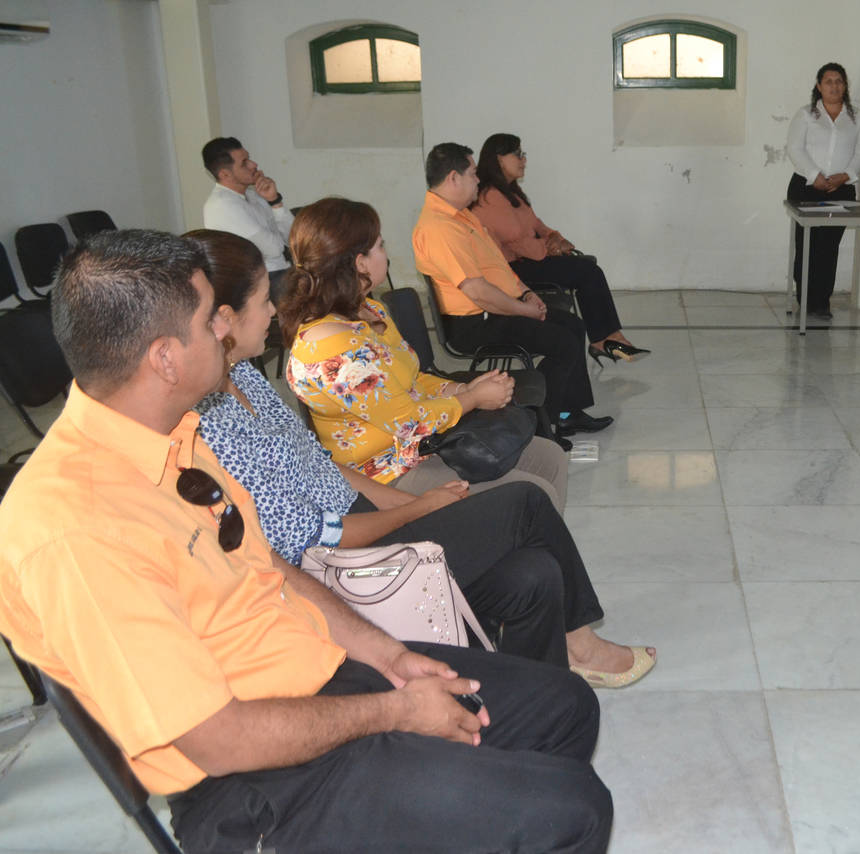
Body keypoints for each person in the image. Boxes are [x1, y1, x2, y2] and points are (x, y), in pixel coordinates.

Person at [0, 229, 612, 853]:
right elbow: (218, 738)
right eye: (208, 321)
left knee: (565, 707)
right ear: (165, 358)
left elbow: (266, 565)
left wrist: (387, 657)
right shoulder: (72, 530)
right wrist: (398, 712)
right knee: (575, 811)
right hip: (257, 783)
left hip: (315, 676)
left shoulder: (175, 435)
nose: (225, 329)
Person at [187, 227, 656, 679]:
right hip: (337, 568)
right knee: (525, 503)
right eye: (264, 300)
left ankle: (535, 682)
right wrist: (421, 506)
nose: (274, 312)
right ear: (223, 319)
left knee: (532, 572)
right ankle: (580, 643)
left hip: (364, 509)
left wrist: (412, 508)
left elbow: (322, 464)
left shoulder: (244, 378)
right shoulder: (209, 424)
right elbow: (309, 541)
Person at [276, 197, 570, 510]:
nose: (386, 253)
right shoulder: (332, 347)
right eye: (380, 245)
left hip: (420, 446)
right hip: (385, 473)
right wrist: (473, 400)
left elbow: (412, 379)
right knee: (532, 492)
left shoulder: (369, 310)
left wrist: (462, 388)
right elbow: (407, 423)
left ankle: (534, 551)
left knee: (550, 458)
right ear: (360, 263)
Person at [413, 142, 613, 443]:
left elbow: (497, 265)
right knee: (563, 343)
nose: (478, 181)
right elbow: (477, 291)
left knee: (572, 325)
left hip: (495, 310)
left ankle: (567, 413)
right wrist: (523, 310)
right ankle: (541, 429)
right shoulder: (439, 227)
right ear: (453, 178)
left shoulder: (461, 216)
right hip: (474, 324)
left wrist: (527, 293)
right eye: (473, 174)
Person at [472, 133, 649, 365]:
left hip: (527, 262)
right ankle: (605, 340)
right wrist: (550, 247)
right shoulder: (490, 197)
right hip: (512, 272)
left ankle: (607, 338)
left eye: (523, 154)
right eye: (517, 154)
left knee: (587, 269)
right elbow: (526, 247)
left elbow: (538, 226)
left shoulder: (511, 192)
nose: (523, 160)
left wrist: (555, 238)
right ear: (497, 159)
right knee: (587, 272)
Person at [786, 62, 860, 320]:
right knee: (806, 245)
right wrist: (815, 176)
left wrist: (845, 176)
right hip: (806, 188)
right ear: (819, 86)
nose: (834, 86)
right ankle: (805, 300)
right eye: (829, 81)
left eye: (839, 81)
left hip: (841, 190)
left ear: (845, 86)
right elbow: (795, 149)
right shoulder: (806, 114)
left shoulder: (858, 116)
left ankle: (822, 302)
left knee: (829, 247)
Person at [200, 136, 294, 299]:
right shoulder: (222, 205)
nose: (254, 165)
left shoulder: (253, 195)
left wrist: (275, 201)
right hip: (259, 282)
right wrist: (279, 238)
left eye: (249, 158)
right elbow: (274, 249)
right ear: (225, 174)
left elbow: (294, 237)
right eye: (244, 162)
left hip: (280, 272)